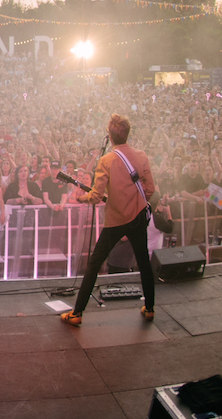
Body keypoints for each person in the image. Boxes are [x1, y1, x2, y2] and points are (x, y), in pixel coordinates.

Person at [61, 113, 158, 327]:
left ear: (110, 137)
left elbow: (96, 196)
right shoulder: (141, 155)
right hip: (139, 217)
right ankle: (149, 308)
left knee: (94, 264)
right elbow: (149, 189)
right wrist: (134, 205)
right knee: (143, 262)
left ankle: (77, 313)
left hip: (116, 220)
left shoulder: (106, 161)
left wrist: (81, 197)